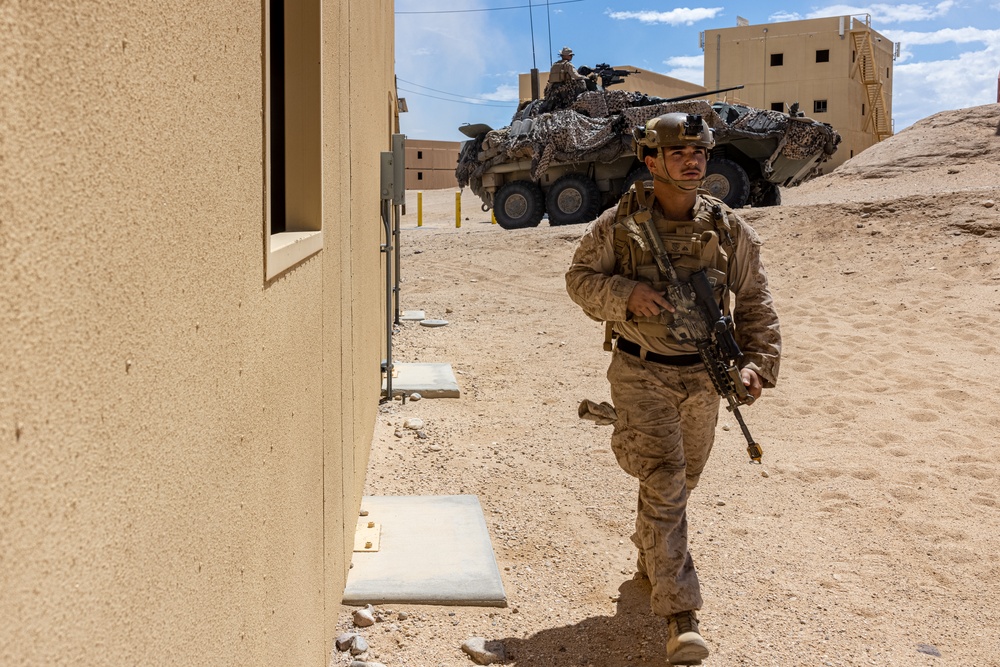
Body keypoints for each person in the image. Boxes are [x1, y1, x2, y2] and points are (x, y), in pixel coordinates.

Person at [565, 112, 781, 665]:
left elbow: (756, 304)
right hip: (640, 371)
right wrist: (626, 294)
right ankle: (680, 616)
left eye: (701, 152)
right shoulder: (618, 224)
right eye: (680, 152)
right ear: (651, 160)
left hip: (704, 377)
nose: (693, 160)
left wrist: (757, 364)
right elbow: (579, 280)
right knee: (664, 480)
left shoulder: (730, 230)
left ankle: (652, 556)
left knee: (682, 481)